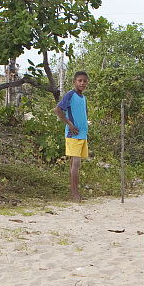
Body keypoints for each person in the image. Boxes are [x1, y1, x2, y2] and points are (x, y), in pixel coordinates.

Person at [54, 71, 89, 202]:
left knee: (75, 164)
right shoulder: (70, 95)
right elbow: (57, 110)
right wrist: (70, 124)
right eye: (79, 80)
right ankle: (74, 194)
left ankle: (75, 193)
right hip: (73, 135)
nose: (82, 83)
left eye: (84, 81)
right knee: (76, 163)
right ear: (74, 82)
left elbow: (84, 114)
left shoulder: (83, 98)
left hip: (82, 135)